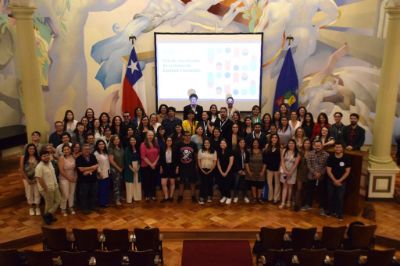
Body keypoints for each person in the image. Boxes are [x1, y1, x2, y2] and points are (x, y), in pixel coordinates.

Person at [303, 139, 330, 215]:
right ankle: (308, 205)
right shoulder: (310, 154)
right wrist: (314, 172)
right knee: (309, 191)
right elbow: (309, 164)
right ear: (314, 146)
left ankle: (321, 208)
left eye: (319, 145)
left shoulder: (326, 155)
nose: (317, 147)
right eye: (316, 145)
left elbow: (326, 166)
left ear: (322, 146)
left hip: (321, 177)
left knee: (321, 193)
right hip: (311, 176)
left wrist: (320, 173)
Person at [35, 149, 61, 224]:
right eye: (44, 156)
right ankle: (48, 218)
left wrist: (56, 184)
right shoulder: (39, 167)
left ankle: (47, 215)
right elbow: (39, 178)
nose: (46, 157)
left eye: (47, 155)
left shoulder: (50, 163)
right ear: (41, 157)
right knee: (49, 203)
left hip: (55, 186)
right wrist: (45, 188)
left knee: (58, 200)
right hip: (46, 188)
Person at [327, 142, 351, 221]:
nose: (338, 149)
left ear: (342, 149)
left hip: (342, 181)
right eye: (336, 147)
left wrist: (339, 181)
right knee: (330, 196)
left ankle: (339, 213)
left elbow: (347, 171)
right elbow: (328, 170)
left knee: (340, 198)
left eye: (339, 147)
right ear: (334, 148)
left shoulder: (346, 158)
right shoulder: (330, 157)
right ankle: (330, 211)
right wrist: (334, 180)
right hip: (331, 181)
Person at [175, 131, 198, 203]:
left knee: (192, 182)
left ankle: (193, 196)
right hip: (182, 166)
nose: (188, 137)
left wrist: (196, 165)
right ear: (183, 136)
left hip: (191, 166)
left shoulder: (193, 144)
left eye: (189, 135)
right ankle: (180, 196)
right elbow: (177, 157)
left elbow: (196, 155)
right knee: (181, 182)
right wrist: (177, 166)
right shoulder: (179, 144)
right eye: (186, 135)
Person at [76, 144, 99, 214]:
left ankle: (92, 206)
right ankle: (84, 208)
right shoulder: (79, 158)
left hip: (93, 179)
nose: (87, 151)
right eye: (85, 149)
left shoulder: (93, 156)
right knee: (84, 195)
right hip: (83, 180)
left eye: (88, 149)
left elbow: (97, 166)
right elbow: (81, 169)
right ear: (82, 150)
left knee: (93, 193)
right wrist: (92, 167)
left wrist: (88, 171)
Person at [279, 139, 301, 209]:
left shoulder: (297, 153)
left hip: (293, 172)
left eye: (292, 143)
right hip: (284, 171)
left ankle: (288, 201)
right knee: (284, 186)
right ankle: (283, 202)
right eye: (289, 143)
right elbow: (282, 161)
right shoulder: (284, 151)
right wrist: (285, 171)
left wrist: (290, 172)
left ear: (295, 145)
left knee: (290, 187)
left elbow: (296, 164)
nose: (290, 144)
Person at [19, 144, 41, 216]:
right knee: (29, 193)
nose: (31, 150)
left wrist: (36, 178)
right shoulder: (23, 157)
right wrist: (27, 179)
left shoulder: (38, 157)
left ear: (35, 150)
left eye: (33, 149)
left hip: (36, 178)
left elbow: (40, 169)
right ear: (27, 150)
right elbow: (22, 169)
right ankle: (31, 207)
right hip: (26, 179)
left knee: (37, 192)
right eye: (30, 149)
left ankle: (37, 207)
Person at [140, 130, 160, 201]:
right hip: (146, 166)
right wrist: (151, 164)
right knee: (147, 181)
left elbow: (159, 154)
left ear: (154, 136)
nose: (150, 136)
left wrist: (154, 163)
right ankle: (147, 195)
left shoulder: (156, 144)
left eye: (152, 135)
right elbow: (143, 156)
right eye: (149, 135)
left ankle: (153, 195)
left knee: (153, 181)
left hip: (155, 165)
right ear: (146, 136)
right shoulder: (143, 144)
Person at [58, 144, 77, 216]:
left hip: (73, 177)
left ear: (70, 150)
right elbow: (61, 170)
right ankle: (63, 208)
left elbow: (75, 168)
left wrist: (75, 176)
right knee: (65, 194)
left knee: (71, 193)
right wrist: (68, 178)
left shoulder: (73, 157)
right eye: (65, 149)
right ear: (63, 151)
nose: (66, 151)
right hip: (64, 178)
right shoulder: (61, 158)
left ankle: (71, 207)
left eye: (68, 149)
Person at [245, 139, 266, 203]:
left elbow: (265, 162)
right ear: (252, 144)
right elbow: (246, 162)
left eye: (257, 143)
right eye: (254, 143)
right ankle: (254, 198)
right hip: (251, 171)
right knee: (253, 184)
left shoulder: (262, 151)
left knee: (260, 184)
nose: (255, 144)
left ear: (259, 144)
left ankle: (259, 198)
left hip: (260, 171)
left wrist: (262, 171)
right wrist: (249, 171)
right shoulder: (249, 151)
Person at [294, 138, 312, 211]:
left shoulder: (312, 152)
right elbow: (297, 163)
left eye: (308, 143)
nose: (307, 144)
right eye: (305, 143)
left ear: (310, 145)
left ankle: (303, 204)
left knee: (306, 189)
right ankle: (296, 205)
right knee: (299, 189)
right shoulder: (300, 152)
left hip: (309, 173)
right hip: (300, 172)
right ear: (303, 144)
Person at [198, 138, 217, 204]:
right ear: (204, 144)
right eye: (205, 143)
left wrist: (210, 170)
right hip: (202, 169)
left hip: (211, 169)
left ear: (210, 144)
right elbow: (199, 161)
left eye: (208, 143)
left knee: (210, 183)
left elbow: (215, 162)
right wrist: (201, 169)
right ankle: (201, 197)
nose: (207, 144)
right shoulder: (200, 151)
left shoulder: (214, 151)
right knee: (203, 183)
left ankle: (209, 196)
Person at [264, 134, 281, 203]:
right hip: (269, 168)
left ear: (277, 139)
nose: (274, 139)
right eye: (273, 137)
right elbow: (265, 157)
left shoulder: (280, 147)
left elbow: (281, 159)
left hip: (277, 168)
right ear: (270, 139)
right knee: (269, 183)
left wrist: (280, 168)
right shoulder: (267, 146)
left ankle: (276, 198)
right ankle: (270, 197)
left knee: (277, 184)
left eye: (275, 137)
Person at [108, 135, 125, 205]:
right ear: (112, 141)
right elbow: (111, 160)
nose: (117, 140)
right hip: (115, 169)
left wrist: (122, 168)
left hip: (121, 168)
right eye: (115, 139)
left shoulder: (120, 147)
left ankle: (120, 196)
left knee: (120, 184)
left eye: (118, 139)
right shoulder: (111, 148)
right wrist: (118, 168)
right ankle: (116, 199)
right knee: (116, 185)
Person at [124, 136, 141, 203]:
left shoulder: (138, 148)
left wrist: (138, 167)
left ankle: (137, 197)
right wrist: (132, 169)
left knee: (137, 182)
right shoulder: (127, 149)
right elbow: (127, 160)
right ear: (129, 141)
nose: (133, 141)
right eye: (131, 140)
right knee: (130, 183)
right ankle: (130, 198)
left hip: (137, 167)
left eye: (134, 140)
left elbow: (140, 159)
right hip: (129, 168)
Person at [94, 139, 111, 207]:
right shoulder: (96, 153)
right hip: (101, 173)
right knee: (102, 189)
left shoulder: (105, 152)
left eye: (103, 144)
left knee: (106, 188)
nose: (102, 145)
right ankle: (102, 203)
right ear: (97, 146)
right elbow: (96, 164)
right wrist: (99, 172)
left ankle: (106, 201)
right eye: (100, 144)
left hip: (107, 171)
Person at [217, 139, 234, 204]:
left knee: (227, 185)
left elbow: (231, 163)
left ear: (226, 144)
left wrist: (226, 172)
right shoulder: (219, 151)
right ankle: (224, 196)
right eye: (221, 143)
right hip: (220, 171)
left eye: (224, 143)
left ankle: (229, 197)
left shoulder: (230, 151)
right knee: (221, 185)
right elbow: (218, 163)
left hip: (228, 171)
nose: (222, 144)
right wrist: (221, 172)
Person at [233, 138, 250, 203]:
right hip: (237, 170)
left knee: (245, 184)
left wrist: (245, 170)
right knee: (236, 183)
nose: (242, 143)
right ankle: (235, 196)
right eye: (241, 142)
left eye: (243, 142)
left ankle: (245, 196)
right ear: (238, 143)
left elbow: (247, 162)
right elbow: (234, 162)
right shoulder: (235, 151)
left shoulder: (247, 152)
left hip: (245, 170)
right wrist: (239, 170)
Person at [160, 136, 176, 202]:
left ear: (172, 142)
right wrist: (161, 167)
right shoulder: (163, 149)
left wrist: (177, 167)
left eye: (170, 140)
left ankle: (171, 197)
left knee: (172, 182)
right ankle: (166, 197)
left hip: (172, 167)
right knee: (163, 183)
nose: (169, 142)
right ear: (166, 142)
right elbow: (161, 159)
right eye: (168, 140)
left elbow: (177, 159)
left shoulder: (174, 149)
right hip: (164, 166)